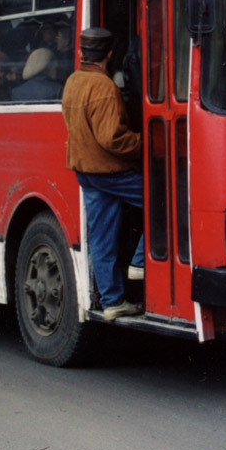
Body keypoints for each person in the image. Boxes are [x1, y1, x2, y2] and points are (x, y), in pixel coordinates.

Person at [61, 27, 145, 321]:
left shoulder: (73, 81)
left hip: (87, 172)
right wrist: (145, 144)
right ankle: (139, 263)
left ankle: (112, 303)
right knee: (163, 203)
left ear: (83, 53)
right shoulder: (104, 86)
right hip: (112, 172)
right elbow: (113, 139)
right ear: (110, 55)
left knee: (101, 239)